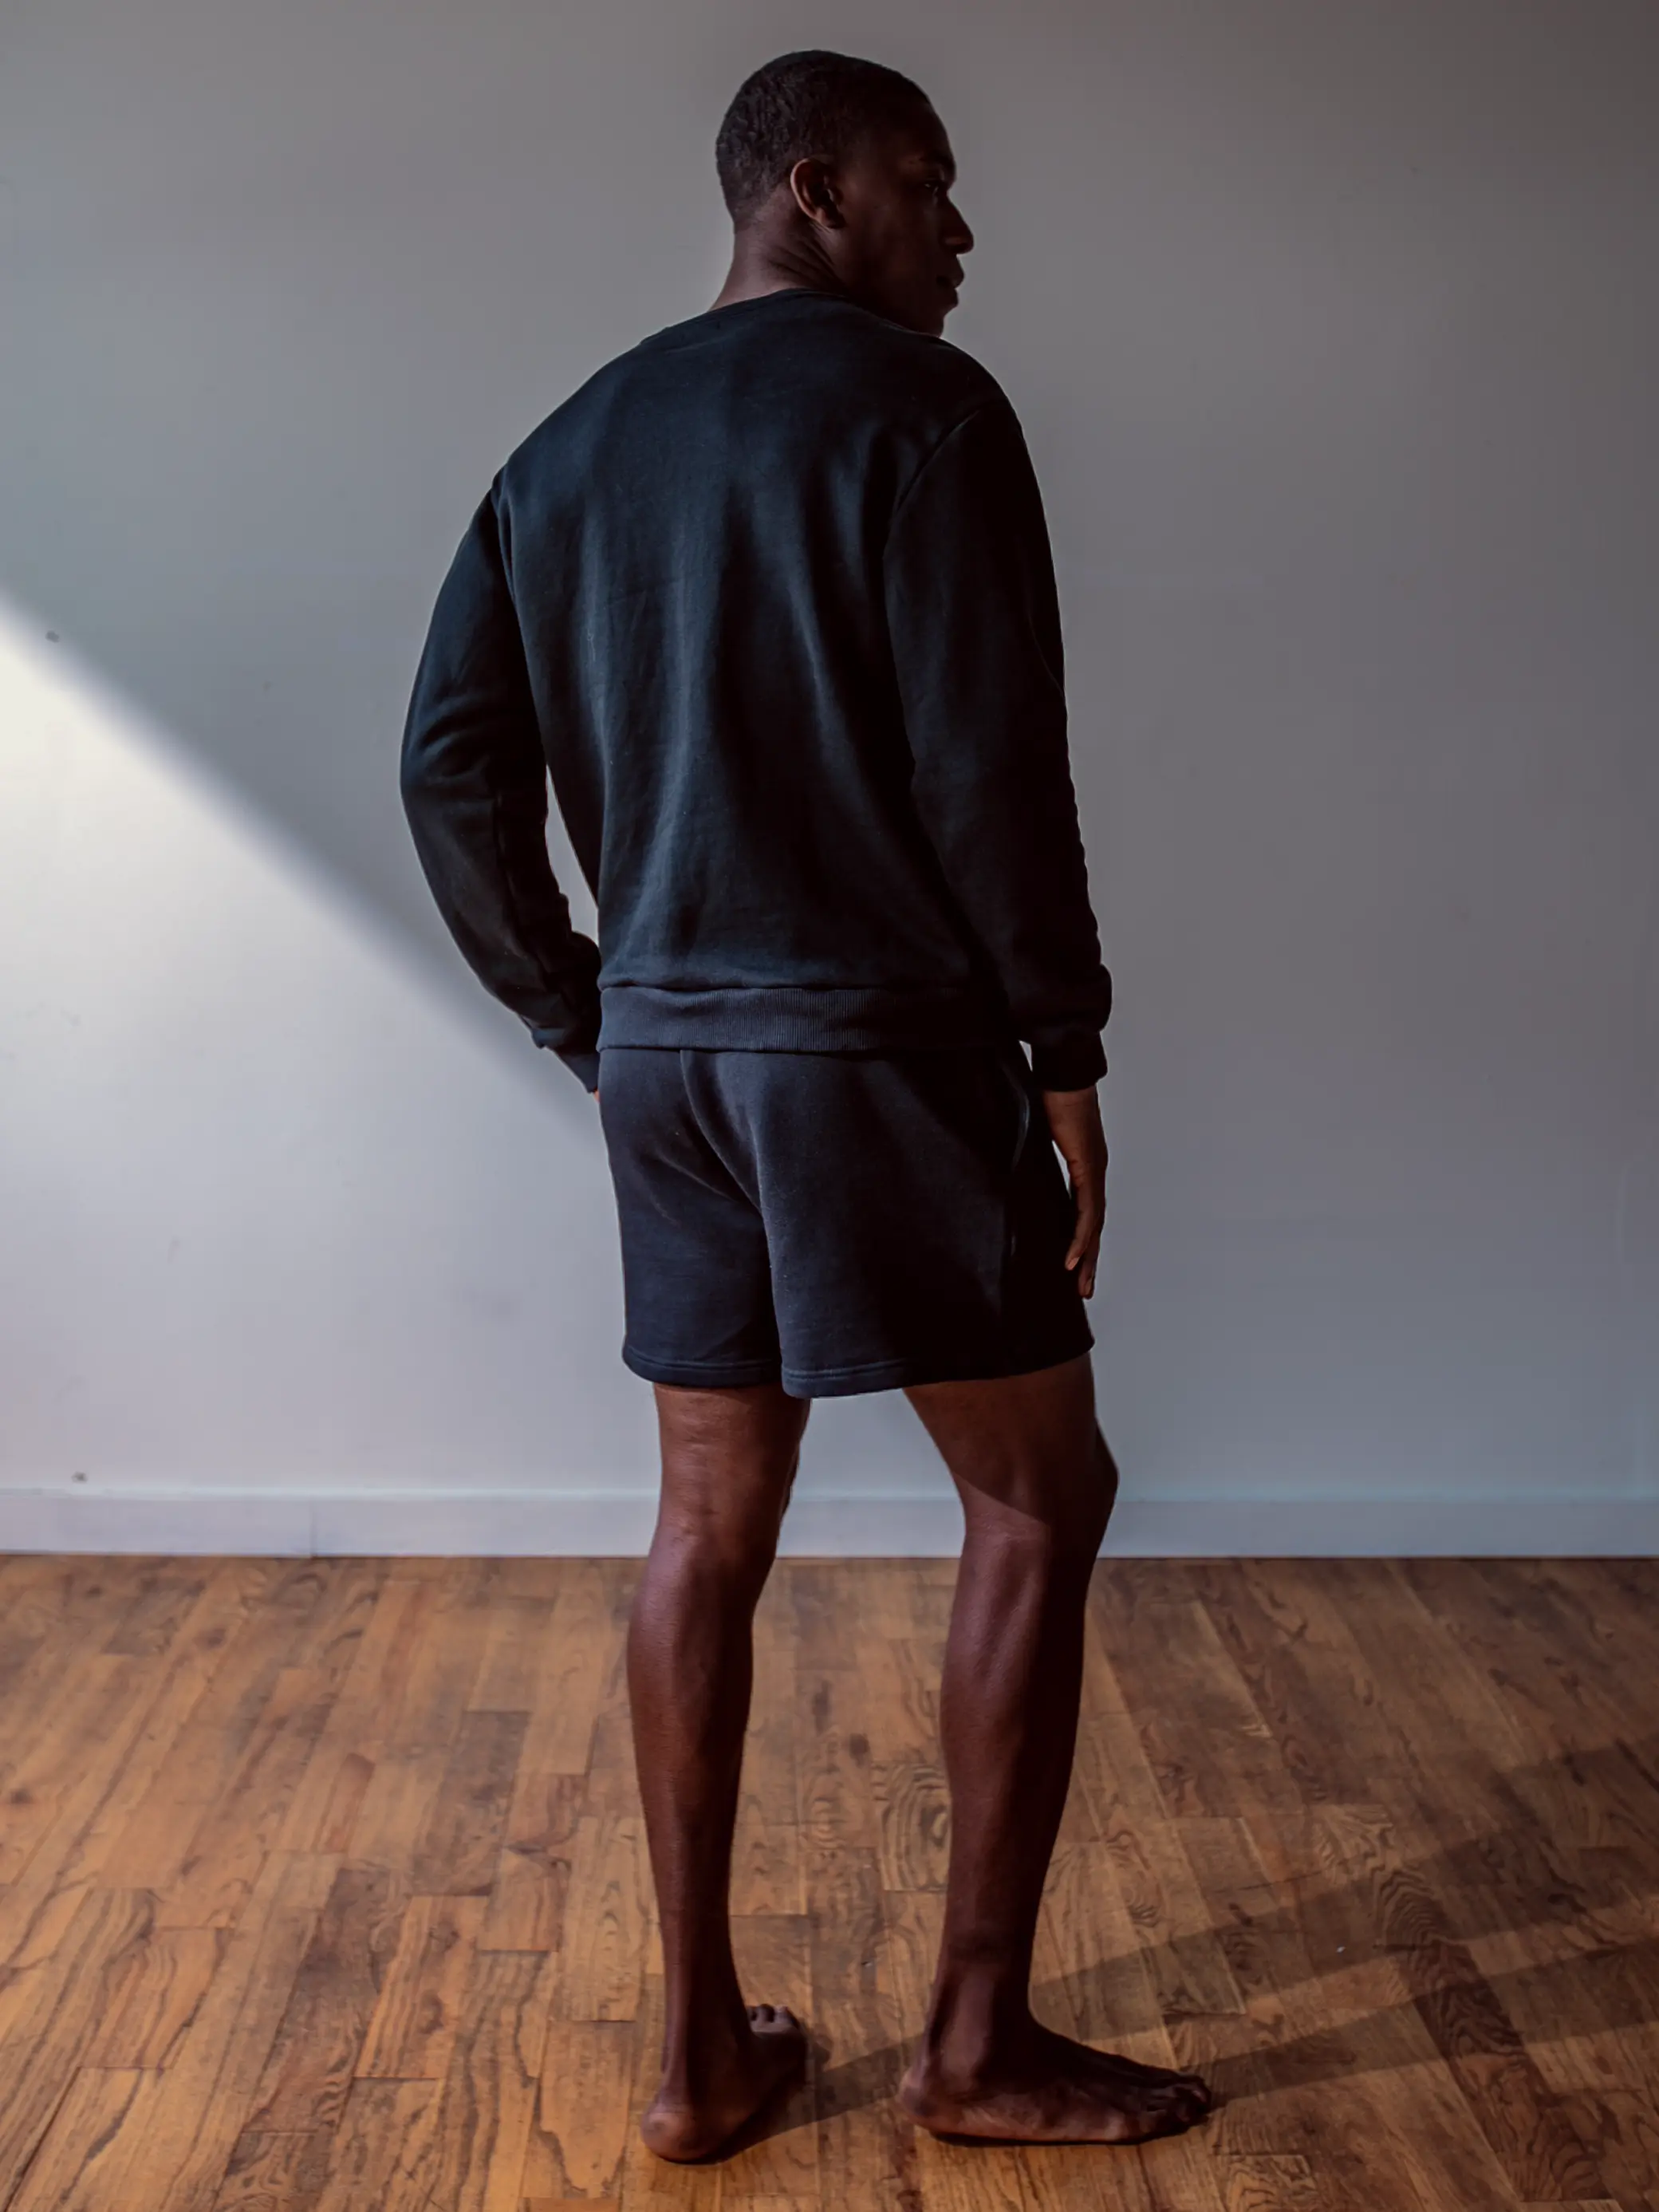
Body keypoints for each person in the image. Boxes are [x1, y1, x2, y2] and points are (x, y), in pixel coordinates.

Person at [400, 46, 1213, 2161]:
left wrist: (592, 1012)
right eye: (936, 189)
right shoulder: (930, 416)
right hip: (870, 1050)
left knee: (703, 1526)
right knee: (1040, 1495)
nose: (964, 236)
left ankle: (698, 2064)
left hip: (671, 1061)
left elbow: (446, 767)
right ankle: (974, 2043)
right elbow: (988, 770)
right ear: (817, 186)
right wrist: (1065, 1051)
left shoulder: (569, 443)